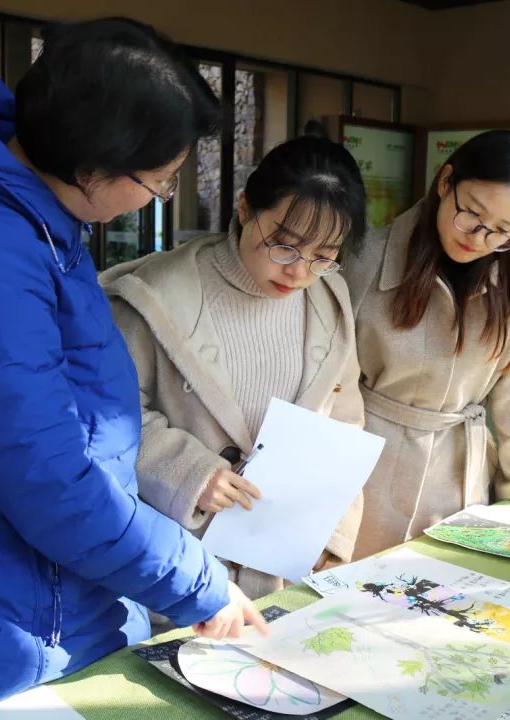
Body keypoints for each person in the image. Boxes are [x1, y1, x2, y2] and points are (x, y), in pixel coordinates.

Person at [0, 18, 265, 719]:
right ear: (90, 169)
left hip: (47, 601)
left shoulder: (32, 226)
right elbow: (48, 479)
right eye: (160, 181)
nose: (157, 197)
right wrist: (199, 581)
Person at [101, 130, 368, 598]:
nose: (299, 271)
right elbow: (108, 413)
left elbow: (345, 424)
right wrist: (188, 473)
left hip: (285, 562)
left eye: (324, 256)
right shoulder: (156, 295)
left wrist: (333, 535)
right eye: (284, 245)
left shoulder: (330, 298)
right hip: (179, 556)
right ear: (245, 208)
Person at [343, 130, 510, 559]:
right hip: (363, 472)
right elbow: (326, 385)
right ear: (445, 182)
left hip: (459, 478)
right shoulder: (363, 259)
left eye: (502, 231)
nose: (479, 239)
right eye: (471, 215)